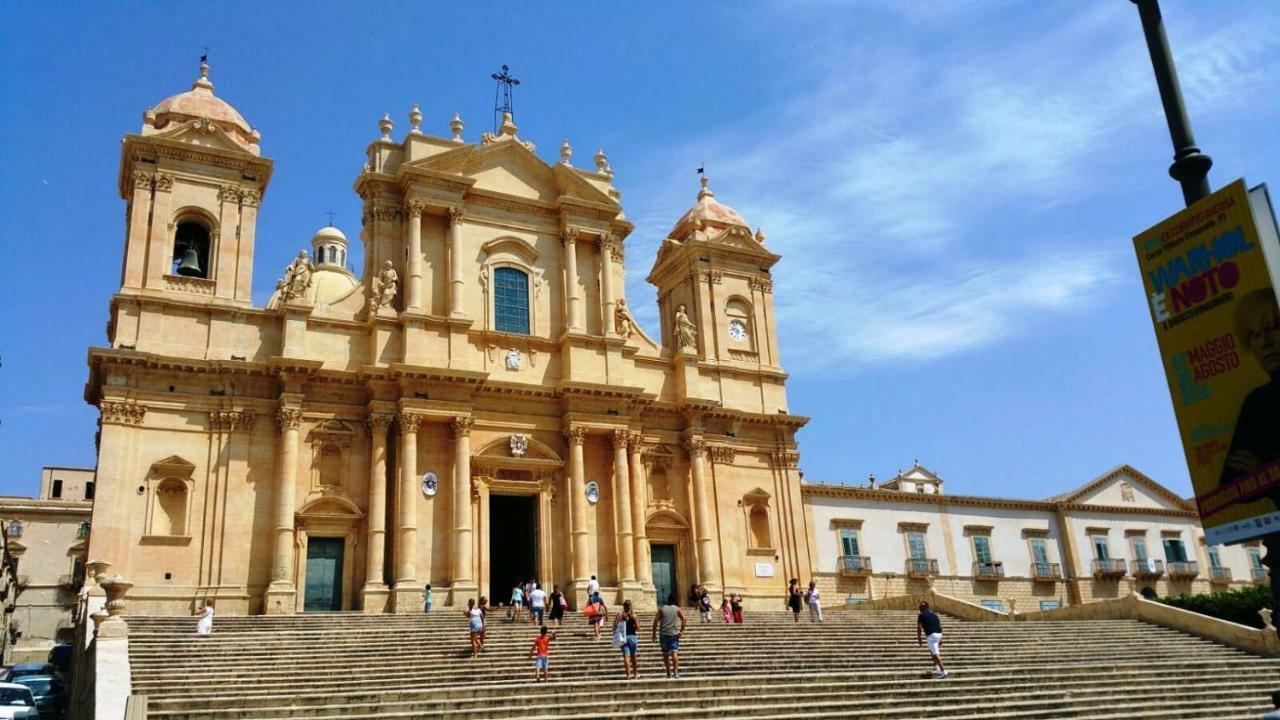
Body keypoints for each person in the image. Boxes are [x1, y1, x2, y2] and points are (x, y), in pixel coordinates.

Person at [1219, 289, 1280, 489]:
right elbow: (1230, 484)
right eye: (1255, 335)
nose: (1265, 343)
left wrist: (1265, 473)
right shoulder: (1257, 403)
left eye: (1273, 327)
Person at [652, 592, 687, 679]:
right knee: (674, 653)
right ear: (675, 600)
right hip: (674, 635)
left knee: (665, 655)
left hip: (663, 635)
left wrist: (654, 634)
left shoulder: (661, 609)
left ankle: (668, 672)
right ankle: (676, 672)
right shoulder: (677, 609)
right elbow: (684, 619)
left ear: (668, 600)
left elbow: (655, 622)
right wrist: (681, 631)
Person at [917, 601, 947, 679]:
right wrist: (941, 638)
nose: (919, 608)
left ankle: (943, 671)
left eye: (920, 607)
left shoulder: (921, 615)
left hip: (931, 635)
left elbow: (919, 628)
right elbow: (939, 625)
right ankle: (936, 665)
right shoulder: (934, 614)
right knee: (932, 650)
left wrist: (919, 639)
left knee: (936, 654)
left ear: (922, 608)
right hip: (938, 634)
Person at [613, 599, 640, 679]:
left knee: (626, 656)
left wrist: (616, 628)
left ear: (623, 606)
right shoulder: (634, 615)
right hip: (632, 637)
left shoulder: (619, 614)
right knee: (633, 656)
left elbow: (614, 626)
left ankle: (628, 674)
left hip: (623, 637)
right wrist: (634, 626)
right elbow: (638, 627)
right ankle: (635, 674)